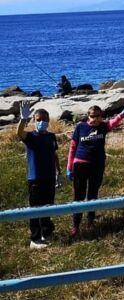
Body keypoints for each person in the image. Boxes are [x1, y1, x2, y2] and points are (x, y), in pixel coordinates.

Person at [67, 104, 124, 238]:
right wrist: (69, 167)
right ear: (88, 116)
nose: (95, 119)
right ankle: (76, 225)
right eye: (92, 116)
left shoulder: (103, 126)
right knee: (79, 195)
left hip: (97, 165)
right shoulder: (80, 127)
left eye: (98, 116)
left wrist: (123, 113)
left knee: (93, 194)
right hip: (80, 165)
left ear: (101, 117)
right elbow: (72, 147)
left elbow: (113, 122)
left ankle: (90, 220)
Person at [17, 101, 59, 249]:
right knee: (35, 208)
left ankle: (46, 233)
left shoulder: (51, 137)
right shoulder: (31, 137)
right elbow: (19, 133)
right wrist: (23, 119)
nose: (42, 122)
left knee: (48, 206)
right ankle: (34, 239)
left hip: (49, 177)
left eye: (45, 120)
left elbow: (54, 155)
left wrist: (58, 173)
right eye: (38, 120)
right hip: (35, 178)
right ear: (34, 121)